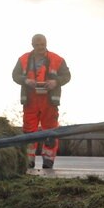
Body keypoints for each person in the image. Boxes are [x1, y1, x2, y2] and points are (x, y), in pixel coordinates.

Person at [12, 34, 71, 169]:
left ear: (46, 43)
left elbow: (67, 76)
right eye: (37, 45)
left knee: (50, 131)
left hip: (49, 101)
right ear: (32, 45)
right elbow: (15, 75)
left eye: (42, 44)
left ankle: (48, 160)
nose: (40, 47)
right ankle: (28, 160)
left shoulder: (57, 59)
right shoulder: (23, 59)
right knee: (29, 131)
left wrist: (55, 82)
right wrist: (26, 80)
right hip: (30, 100)